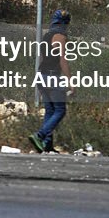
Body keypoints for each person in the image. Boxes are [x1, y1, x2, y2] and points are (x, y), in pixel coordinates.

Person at [29, 9, 71, 154]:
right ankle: (40, 135)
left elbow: (41, 58)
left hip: (42, 76)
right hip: (53, 77)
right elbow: (62, 60)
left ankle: (47, 145)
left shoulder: (46, 36)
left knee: (50, 110)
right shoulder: (61, 37)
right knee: (60, 110)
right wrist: (70, 81)